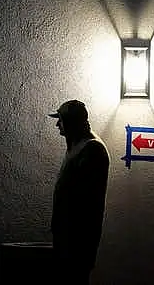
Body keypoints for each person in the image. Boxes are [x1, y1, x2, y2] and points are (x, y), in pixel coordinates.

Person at [48, 100, 110, 285]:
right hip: (67, 235)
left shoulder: (91, 149)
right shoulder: (77, 146)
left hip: (77, 238)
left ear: (72, 122)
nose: (57, 124)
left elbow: (86, 202)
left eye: (60, 120)